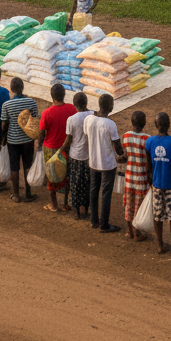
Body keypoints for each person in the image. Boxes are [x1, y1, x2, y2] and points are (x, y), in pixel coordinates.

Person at [145, 111, 171, 255]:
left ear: (156, 125)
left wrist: (151, 180)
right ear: (169, 124)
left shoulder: (149, 141)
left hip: (157, 183)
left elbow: (149, 165)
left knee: (158, 216)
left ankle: (161, 245)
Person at [85, 93, 124, 231]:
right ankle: (104, 224)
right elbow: (118, 148)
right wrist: (123, 153)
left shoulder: (88, 119)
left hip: (93, 162)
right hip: (107, 164)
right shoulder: (110, 124)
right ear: (111, 107)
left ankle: (94, 220)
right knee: (106, 194)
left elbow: (87, 135)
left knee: (94, 190)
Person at [38, 83, 76, 213]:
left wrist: (39, 147)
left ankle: (53, 204)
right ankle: (66, 203)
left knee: (52, 175)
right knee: (67, 174)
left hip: (51, 148)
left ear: (51, 96)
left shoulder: (46, 113)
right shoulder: (71, 109)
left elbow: (42, 132)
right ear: (64, 95)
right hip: (67, 148)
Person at [1, 77, 39, 204]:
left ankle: (16, 195)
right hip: (28, 140)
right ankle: (28, 193)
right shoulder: (31, 102)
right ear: (23, 88)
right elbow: (34, 121)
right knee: (27, 165)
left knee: (14, 167)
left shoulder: (7, 104)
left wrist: (3, 138)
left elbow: (4, 124)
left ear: (11, 89)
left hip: (13, 140)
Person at [61, 92, 93, 220]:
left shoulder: (71, 119)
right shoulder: (92, 115)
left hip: (75, 156)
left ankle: (77, 212)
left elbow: (68, 139)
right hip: (89, 156)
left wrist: (61, 149)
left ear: (74, 104)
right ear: (86, 102)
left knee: (75, 183)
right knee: (87, 183)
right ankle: (86, 209)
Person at [121, 110, 150, 239]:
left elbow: (125, 155)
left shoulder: (126, 136)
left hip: (129, 177)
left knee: (129, 204)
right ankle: (137, 231)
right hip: (142, 178)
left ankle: (130, 232)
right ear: (144, 123)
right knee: (138, 205)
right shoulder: (147, 139)